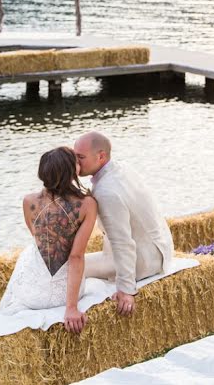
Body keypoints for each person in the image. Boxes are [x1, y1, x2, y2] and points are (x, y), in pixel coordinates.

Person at [0, 146, 97, 334]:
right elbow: (75, 257)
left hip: (30, 293)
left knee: (30, 252)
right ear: (71, 171)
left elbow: (38, 238)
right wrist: (71, 308)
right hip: (62, 295)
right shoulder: (87, 204)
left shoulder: (28, 202)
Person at [73, 131, 174, 317]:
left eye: (80, 157)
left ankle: (71, 310)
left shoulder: (106, 192)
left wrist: (127, 290)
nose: (75, 163)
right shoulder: (121, 168)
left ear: (101, 156)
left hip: (144, 260)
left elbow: (122, 243)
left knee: (72, 268)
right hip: (160, 247)